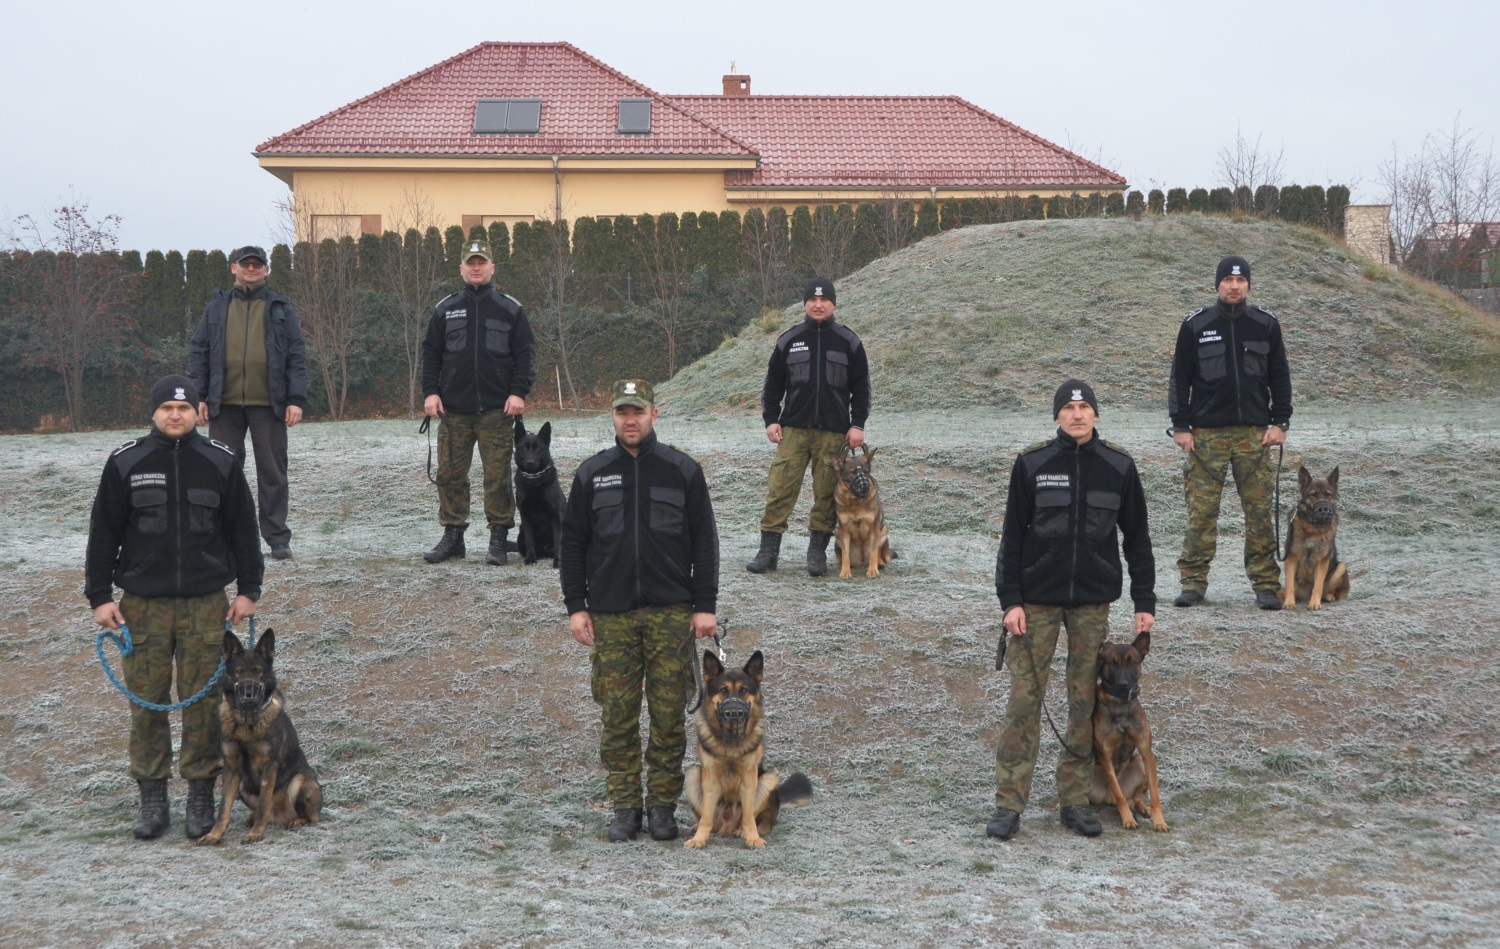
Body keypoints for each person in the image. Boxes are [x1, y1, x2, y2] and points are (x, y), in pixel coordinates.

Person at [85, 374, 264, 840]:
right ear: (154, 412)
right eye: (167, 407)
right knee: (148, 703)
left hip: (207, 605)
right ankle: (152, 795)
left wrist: (249, 590)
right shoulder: (126, 461)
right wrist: (99, 597)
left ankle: (201, 793)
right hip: (141, 607)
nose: (175, 414)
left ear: (198, 412)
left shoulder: (220, 461)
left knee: (204, 703)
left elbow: (244, 529)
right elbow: (103, 532)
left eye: (184, 408)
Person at [988, 380, 1155, 841]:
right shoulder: (1033, 463)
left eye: (1085, 407)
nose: (1077, 414)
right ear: (1057, 416)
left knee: (1085, 703)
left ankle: (1075, 800)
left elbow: (1137, 540)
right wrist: (1011, 601)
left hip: (1091, 602)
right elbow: (1012, 539)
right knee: (1025, 701)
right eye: (1069, 407)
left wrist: (1145, 602)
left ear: (1096, 415)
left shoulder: (1118, 466)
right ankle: (1009, 804)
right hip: (1036, 602)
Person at [561, 380, 720, 843]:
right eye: (621, 412)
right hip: (611, 617)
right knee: (618, 716)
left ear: (654, 413)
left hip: (672, 614)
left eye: (638, 411)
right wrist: (577, 607)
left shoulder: (682, 471)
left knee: (669, 718)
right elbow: (572, 546)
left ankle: (662, 810)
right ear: (612, 417)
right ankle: (626, 808)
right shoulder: (592, 474)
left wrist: (705, 606)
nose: (630, 420)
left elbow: (704, 544)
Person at [1168, 255, 1292, 611]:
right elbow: (1180, 379)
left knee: (1259, 513)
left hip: (1256, 436)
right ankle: (1193, 583)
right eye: (1227, 280)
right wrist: (1180, 426)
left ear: (1249, 285)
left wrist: (1280, 423)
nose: (1234, 286)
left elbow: (1280, 376)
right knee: (1201, 513)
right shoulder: (1195, 325)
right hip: (1206, 436)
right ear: (1218, 285)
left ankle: (1266, 584)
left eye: (1240, 280)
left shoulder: (1265, 324)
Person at [420, 239, 536, 565]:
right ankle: (453, 537)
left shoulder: (510, 309)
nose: (475, 267)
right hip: (453, 411)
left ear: (492, 267)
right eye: (470, 262)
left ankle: (498, 539)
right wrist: (430, 392)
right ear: (461, 268)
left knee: (497, 477)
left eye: (481, 262)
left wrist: (518, 392)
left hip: (497, 412)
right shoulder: (445, 309)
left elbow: (526, 355)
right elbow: (430, 354)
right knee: (450, 476)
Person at [188, 245, 308, 561]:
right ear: (234, 268)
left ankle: (277, 539)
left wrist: (295, 399)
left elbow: (297, 355)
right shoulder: (216, 308)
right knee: (222, 472)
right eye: (246, 263)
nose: (251, 268)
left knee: (273, 474)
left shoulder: (281, 308)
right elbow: (199, 351)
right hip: (223, 405)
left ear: (266, 270)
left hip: (269, 405)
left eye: (257, 264)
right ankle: (223, 537)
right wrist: (198, 396)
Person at [747, 276, 871, 577]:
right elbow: (772, 386)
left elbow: (862, 389)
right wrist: (771, 420)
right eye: (813, 300)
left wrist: (857, 425)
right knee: (780, 488)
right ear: (805, 303)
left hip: (834, 433)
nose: (818, 304)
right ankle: (768, 551)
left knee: (828, 492)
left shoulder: (849, 342)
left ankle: (816, 552)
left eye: (824, 300)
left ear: (833, 304)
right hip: (793, 431)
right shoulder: (789, 340)